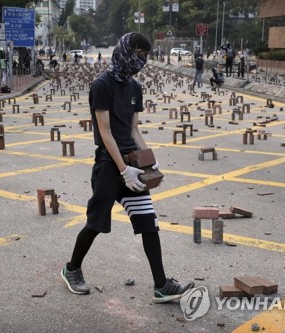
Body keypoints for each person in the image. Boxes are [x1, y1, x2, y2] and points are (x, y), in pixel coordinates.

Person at [60, 32, 194, 304]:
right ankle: (71, 269)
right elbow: (106, 132)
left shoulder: (135, 88)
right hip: (109, 165)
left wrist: (149, 160)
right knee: (96, 224)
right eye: (136, 52)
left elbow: (133, 129)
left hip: (132, 161)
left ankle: (161, 285)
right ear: (122, 50)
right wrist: (123, 170)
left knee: (148, 223)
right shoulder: (102, 85)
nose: (140, 59)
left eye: (144, 55)